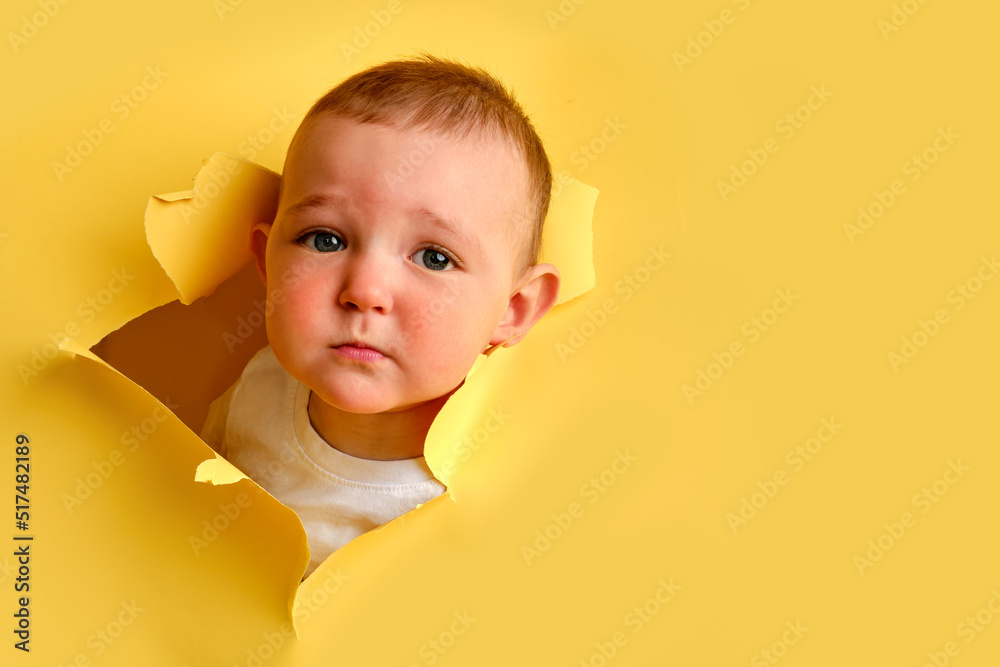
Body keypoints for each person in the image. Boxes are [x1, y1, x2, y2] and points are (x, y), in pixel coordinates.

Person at [201, 53, 561, 578]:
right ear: (266, 261)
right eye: (325, 239)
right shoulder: (255, 393)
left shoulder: (488, 492)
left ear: (512, 308)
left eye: (434, 257)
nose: (364, 292)